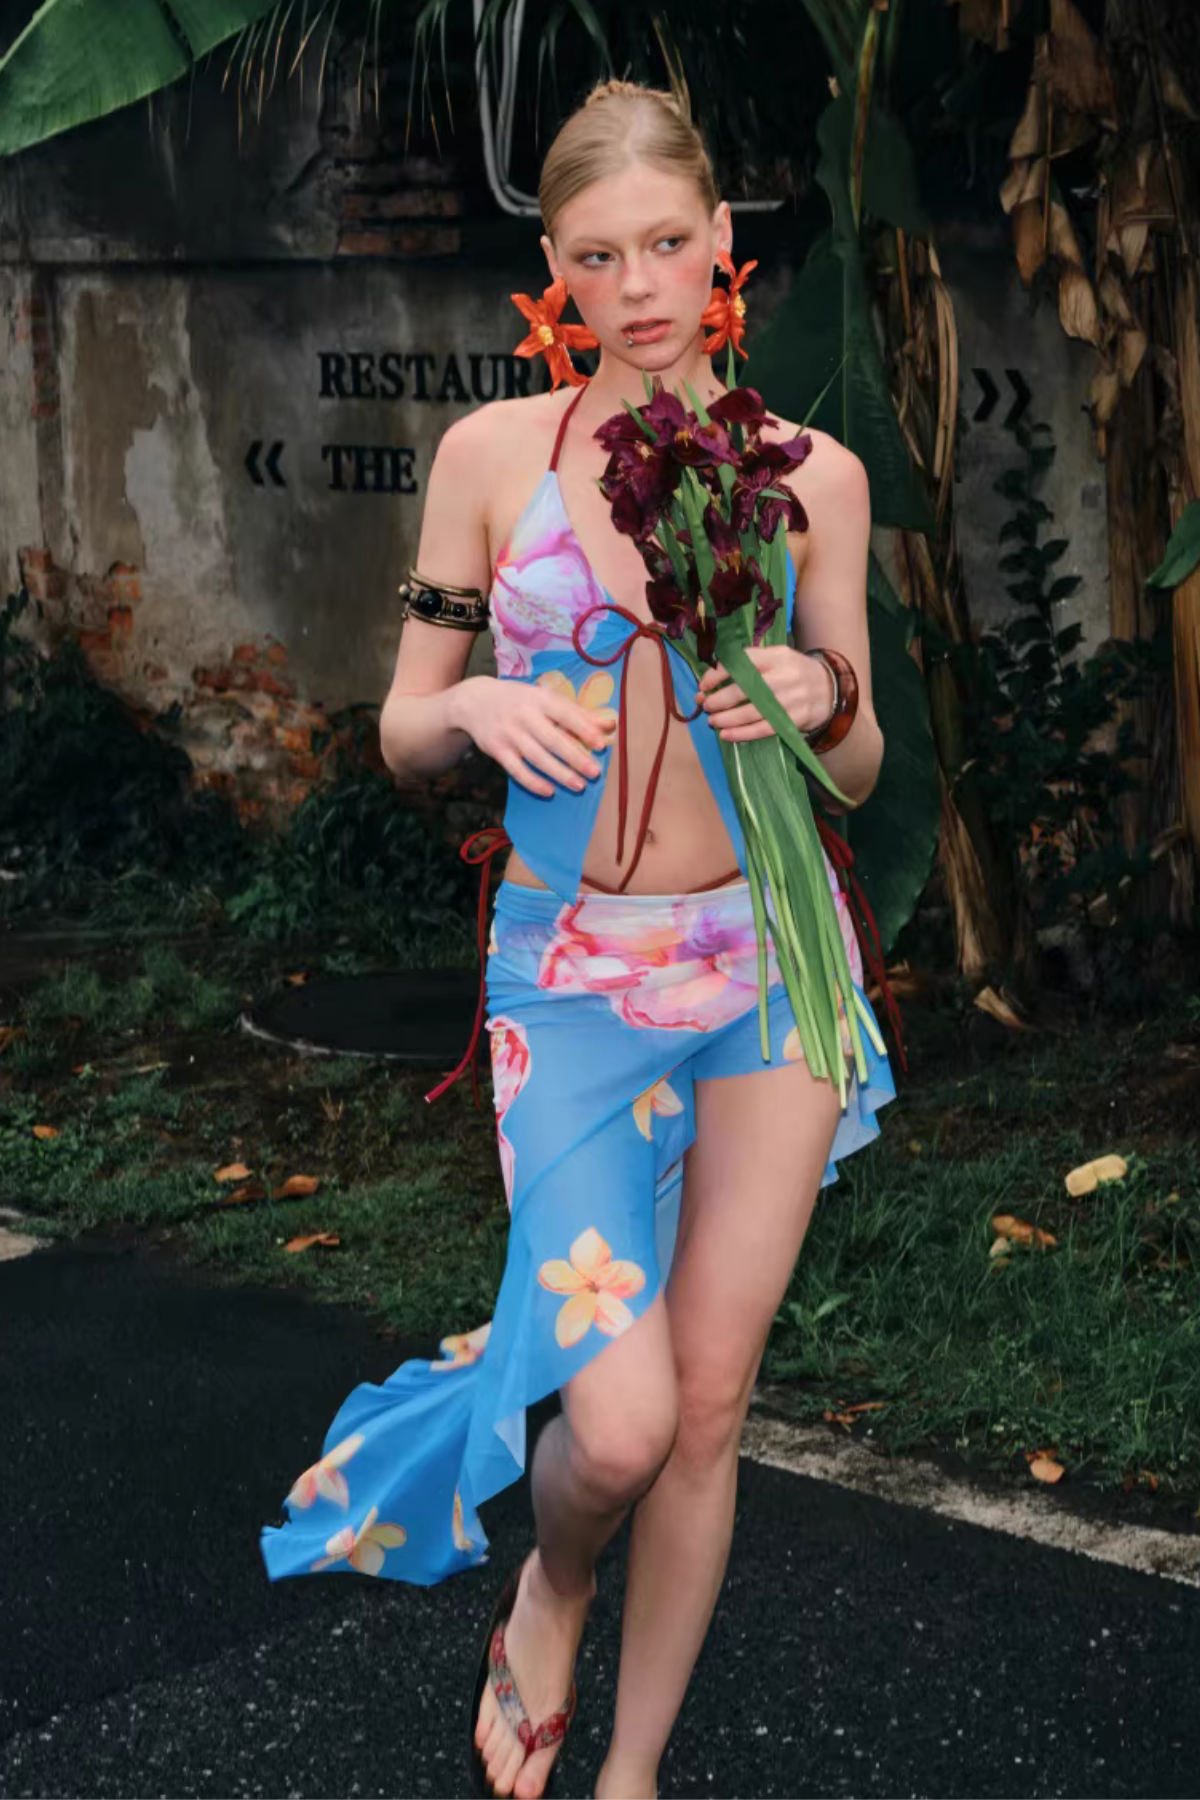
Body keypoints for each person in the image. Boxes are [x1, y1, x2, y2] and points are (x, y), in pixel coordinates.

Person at [260, 77, 896, 1800]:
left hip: (766, 970)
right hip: (573, 977)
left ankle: (628, 1776)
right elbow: (396, 726)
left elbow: (860, 761)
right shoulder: (490, 460)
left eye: (670, 244)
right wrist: (471, 705)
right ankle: (552, 1583)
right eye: (600, 254)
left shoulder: (807, 476)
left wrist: (820, 690)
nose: (639, 285)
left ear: (723, 246)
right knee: (609, 1435)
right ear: (554, 265)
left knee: (702, 1411)